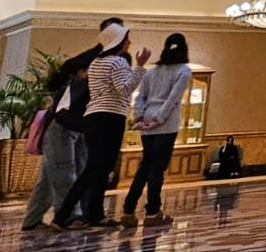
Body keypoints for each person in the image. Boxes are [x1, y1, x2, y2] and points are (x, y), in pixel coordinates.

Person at [21, 16, 124, 233]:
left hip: (77, 127)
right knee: (65, 171)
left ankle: (32, 220)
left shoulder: (94, 61)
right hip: (64, 125)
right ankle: (70, 216)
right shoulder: (97, 61)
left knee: (51, 175)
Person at [52, 22, 150, 230]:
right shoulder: (118, 62)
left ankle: (86, 215)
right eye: (126, 39)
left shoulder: (96, 62)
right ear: (119, 41)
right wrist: (140, 66)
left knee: (95, 168)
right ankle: (68, 216)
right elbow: (125, 89)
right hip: (111, 118)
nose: (129, 42)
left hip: (93, 117)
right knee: (99, 168)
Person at [121, 33, 192, 227]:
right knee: (157, 169)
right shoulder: (183, 71)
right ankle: (153, 211)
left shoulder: (152, 71)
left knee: (145, 166)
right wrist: (158, 119)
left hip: (148, 123)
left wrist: (140, 116)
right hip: (166, 124)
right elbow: (172, 99)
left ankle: (128, 209)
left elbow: (140, 97)